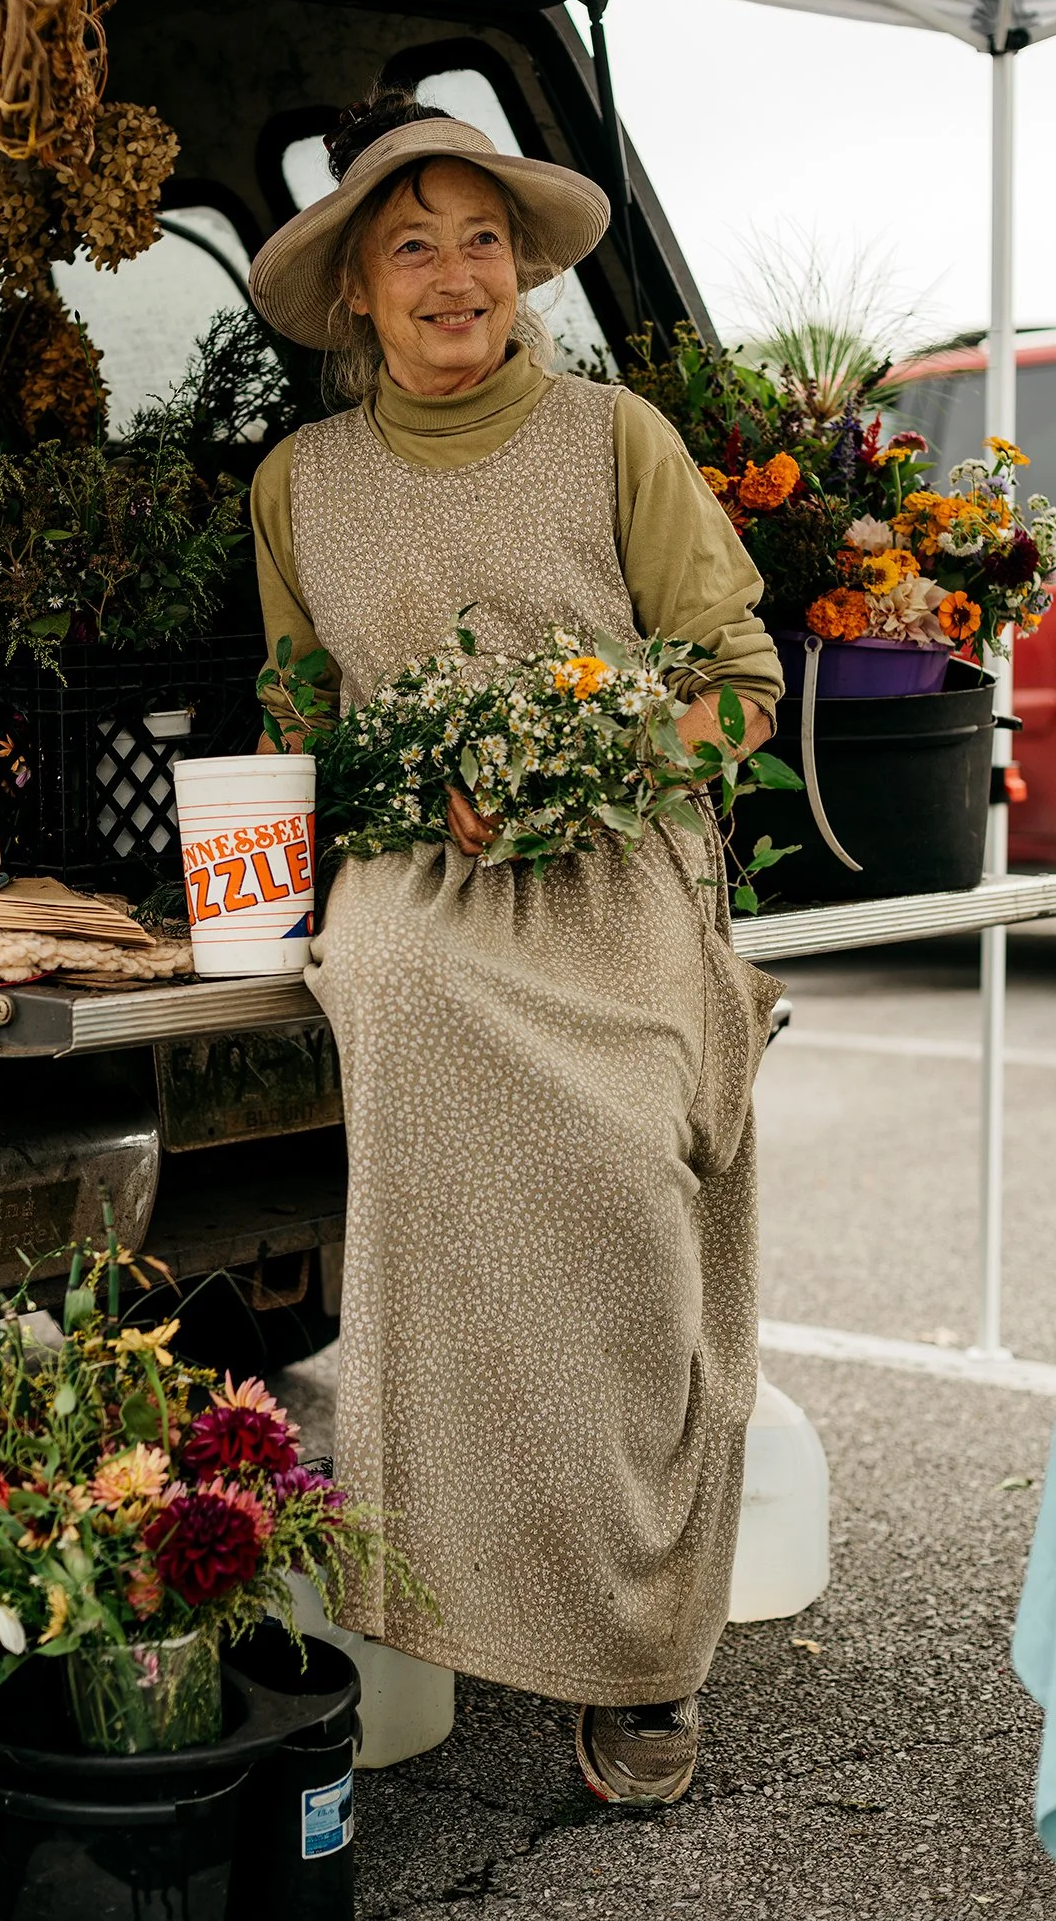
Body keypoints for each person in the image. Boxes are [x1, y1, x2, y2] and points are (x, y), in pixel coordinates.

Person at [246, 90, 785, 1805]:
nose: (455, 274)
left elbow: (735, 679)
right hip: (420, 880)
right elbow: (295, 707)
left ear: (523, 271)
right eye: (414, 246)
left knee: (631, 1205)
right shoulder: (299, 485)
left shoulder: (614, 438)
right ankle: (447, 1601)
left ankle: (635, 1652)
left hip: (617, 871)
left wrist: (586, 761)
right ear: (357, 294)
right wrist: (368, 798)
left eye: (484, 240)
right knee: (395, 1004)